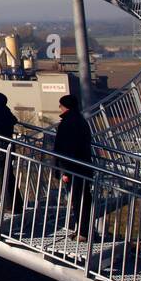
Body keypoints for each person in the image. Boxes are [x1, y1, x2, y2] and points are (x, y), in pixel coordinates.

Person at [53, 93, 95, 240]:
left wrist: (64, 170)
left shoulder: (68, 123)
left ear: (65, 107)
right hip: (84, 166)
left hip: (74, 168)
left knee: (79, 200)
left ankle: (83, 233)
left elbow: (66, 149)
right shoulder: (80, 120)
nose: (59, 108)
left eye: (60, 105)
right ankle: (84, 231)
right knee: (83, 199)